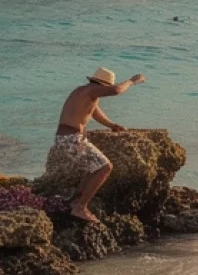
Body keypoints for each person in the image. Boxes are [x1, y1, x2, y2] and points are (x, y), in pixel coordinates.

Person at [53, 68, 146, 223]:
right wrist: (132, 81)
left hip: (66, 138)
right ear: (103, 85)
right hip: (71, 139)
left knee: (94, 168)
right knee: (105, 168)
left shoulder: (84, 92)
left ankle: (74, 201)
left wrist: (112, 125)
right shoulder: (92, 90)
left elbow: (94, 112)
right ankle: (80, 207)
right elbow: (116, 90)